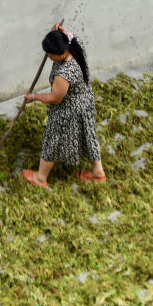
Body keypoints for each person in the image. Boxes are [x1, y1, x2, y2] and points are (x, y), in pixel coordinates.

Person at [20, 22, 106, 188]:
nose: (48, 56)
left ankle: (40, 178)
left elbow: (55, 98)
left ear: (62, 53)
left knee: (53, 140)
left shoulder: (64, 73)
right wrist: (62, 33)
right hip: (84, 101)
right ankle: (98, 172)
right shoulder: (75, 44)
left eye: (50, 54)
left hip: (69, 110)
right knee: (88, 134)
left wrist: (34, 97)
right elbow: (68, 38)